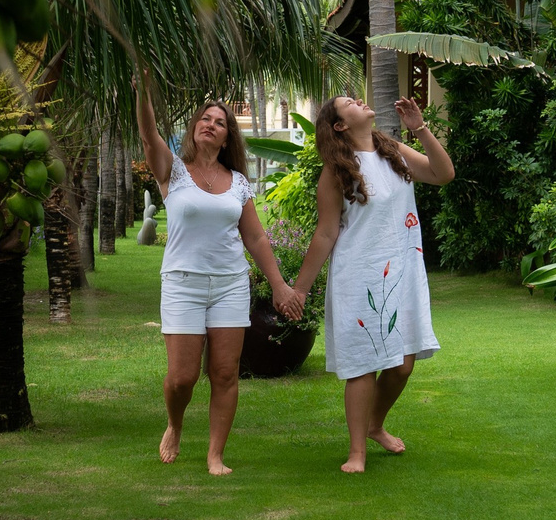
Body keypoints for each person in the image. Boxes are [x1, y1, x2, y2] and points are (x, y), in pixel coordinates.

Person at [135, 76, 301, 476]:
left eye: (219, 121)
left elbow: (256, 237)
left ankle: (215, 456)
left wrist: (279, 284)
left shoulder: (239, 183)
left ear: (227, 137)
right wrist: (144, 93)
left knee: (225, 373)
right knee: (181, 378)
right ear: (195, 129)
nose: (210, 124)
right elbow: (148, 135)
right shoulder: (172, 171)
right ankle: (175, 424)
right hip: (183, 284)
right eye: (204, 119)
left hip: (229, 284)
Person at [287, 94, 455, 473]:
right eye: (349, 102)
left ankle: (375, 425)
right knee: (363, 366)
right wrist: (299, 289)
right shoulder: (336, 172)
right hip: (359, 274)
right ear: (339, 126)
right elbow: (326, 233)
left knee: (402, 366)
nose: (359, 100)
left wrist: (421, 129)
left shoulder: (392, 150)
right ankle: (356, 452)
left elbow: (443, 175)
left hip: (403, 271)